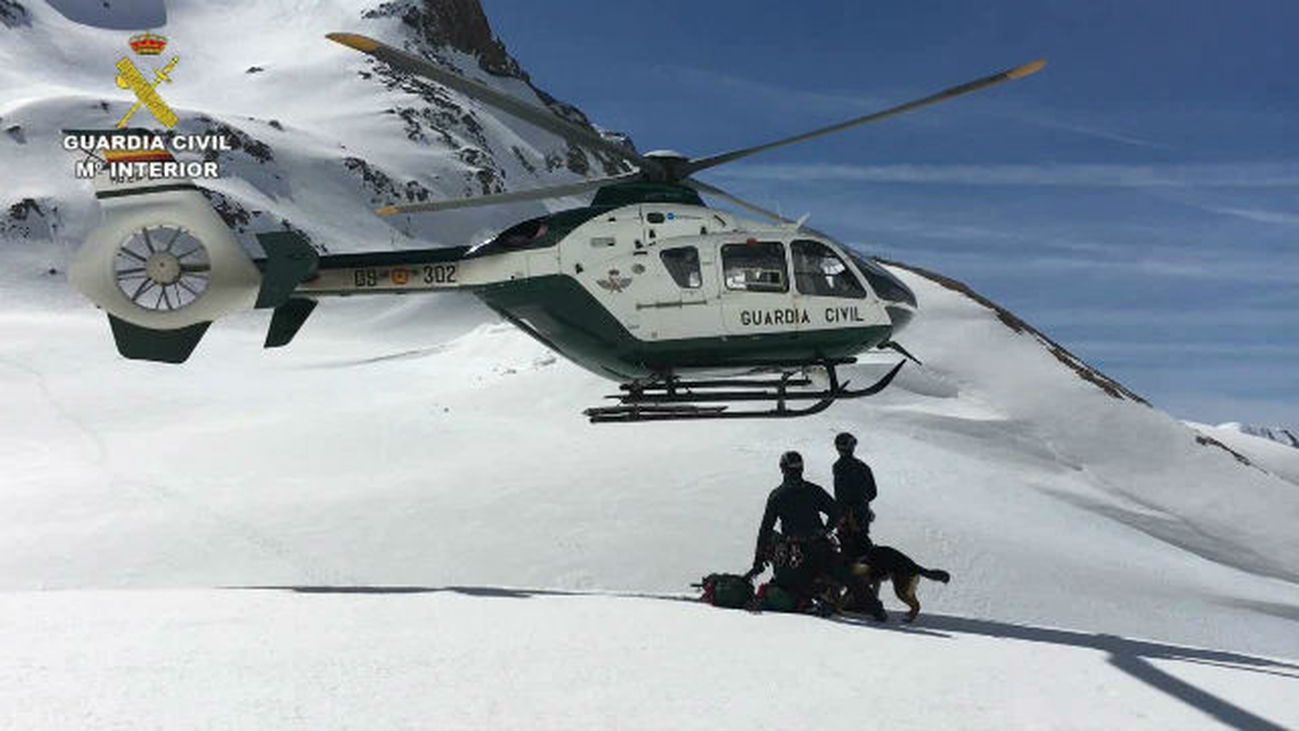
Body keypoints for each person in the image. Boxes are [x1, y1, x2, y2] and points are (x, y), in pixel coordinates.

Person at [751, 450, 887, 621]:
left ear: (782, 469)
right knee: (847, 576)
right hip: (821, 547)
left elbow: (765, 530)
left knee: (786, 582)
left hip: (796, 554)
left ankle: (823, 597)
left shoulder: (778, 495)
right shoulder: (813, 490)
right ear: (801, 469)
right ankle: (876, 609)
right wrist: (826, 530)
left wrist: (758, 561)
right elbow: (837, 512)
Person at [832, 432, 876, 560]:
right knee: (863, 547)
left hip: (848, 518)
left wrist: (843, 515)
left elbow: (840, 496)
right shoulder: (863, 467)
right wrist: (862, 503)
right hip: (862, 515)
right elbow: (873, 492)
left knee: (848, 553)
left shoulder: (838, 467)